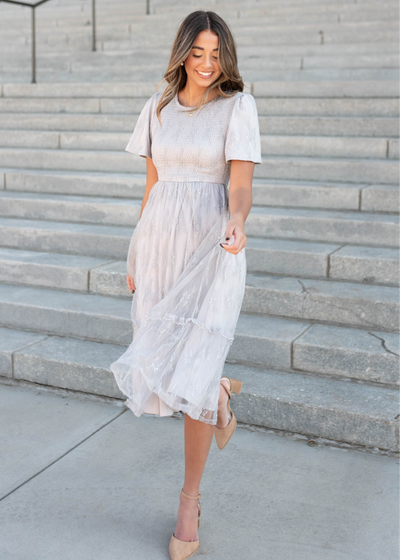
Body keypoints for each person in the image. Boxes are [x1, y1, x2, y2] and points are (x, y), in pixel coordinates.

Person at [109, 10, 262, 560]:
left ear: (226, 58)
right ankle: (219, 390)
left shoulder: (238, 107)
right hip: (159, 245)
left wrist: (238, 220)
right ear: (181, 54)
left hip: (213, 244)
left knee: (194, 369)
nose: (205, 63)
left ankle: (188, 501)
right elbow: (150, 187)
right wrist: (135, 250)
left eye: (215, 54)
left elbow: (240, 184)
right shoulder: (157, 109)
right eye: (196, 53)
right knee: (168, 362)